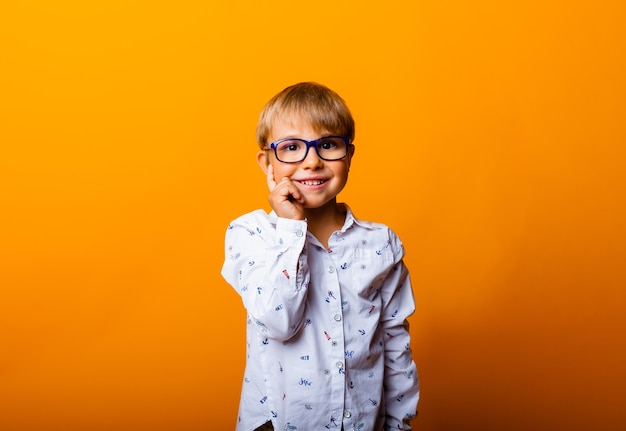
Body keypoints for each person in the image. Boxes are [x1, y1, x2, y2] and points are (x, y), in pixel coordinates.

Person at [221, 82, 419, 431]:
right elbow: (278, 321)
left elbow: (395, 341)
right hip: (278, 423)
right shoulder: (250, 235)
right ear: (266, 162)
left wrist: (399, 424)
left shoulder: (380, 243)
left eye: (328, 145)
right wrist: (291, 227)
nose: (312, 161)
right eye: (292, 147)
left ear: (349, 156)